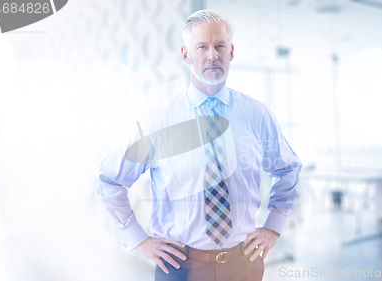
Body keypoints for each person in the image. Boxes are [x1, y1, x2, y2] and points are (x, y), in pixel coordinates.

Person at [94, 10, 302, 281]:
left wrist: (273, 227)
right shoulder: (158, 122)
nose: (212, 55)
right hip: (180, 267)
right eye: (202, 47)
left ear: (232, 52)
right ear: (185, 54)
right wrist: (138, 240)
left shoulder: (256, 115)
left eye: (220, 46)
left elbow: (288, 169)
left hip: (244, 265)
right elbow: (108, 180)